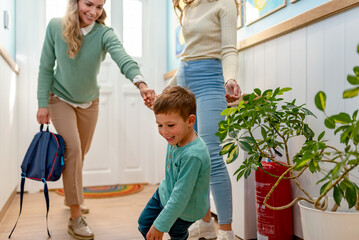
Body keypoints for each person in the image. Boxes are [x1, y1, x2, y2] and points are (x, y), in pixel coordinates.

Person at [36, 0, 155, 239]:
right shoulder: (55, 26)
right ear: (76, 3)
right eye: (88, 4)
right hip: (59, 98)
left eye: (99, 6)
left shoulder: (103, 33)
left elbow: (123, 57)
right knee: (74, 149)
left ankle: (73, 198)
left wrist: (140, 82)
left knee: (81, 152)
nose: (93, 11)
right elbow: (46, 67)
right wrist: (42, 103)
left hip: (90, 101)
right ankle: (75, 216)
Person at [169, 0, 242, 239]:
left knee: (211, 155)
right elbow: (189, 54)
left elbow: (229, 48)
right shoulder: (191, 5)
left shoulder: (225, 4)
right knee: (192, 156)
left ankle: (226, 232)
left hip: (211, 81)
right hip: (184, 79)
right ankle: (205, 222)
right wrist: (167, 90)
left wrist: (229, 78)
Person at [138, 86, 211, 240]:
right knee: (144, 224)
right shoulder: (176, 135)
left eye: (170, 125)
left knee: (175, 234)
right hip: (165, 192)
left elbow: (181, 197)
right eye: (159, 125)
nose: (164, 132)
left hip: (186, 209)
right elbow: (168, 115)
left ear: (190, 121)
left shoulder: (193, 155)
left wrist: (160, 226)